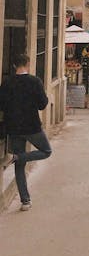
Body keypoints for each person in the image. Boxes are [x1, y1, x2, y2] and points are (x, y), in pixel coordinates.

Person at [0, 53, 52, 211]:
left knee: (19, 166)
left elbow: (1, 105)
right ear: (28, 64)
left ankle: (25, 201)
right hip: (32, 127)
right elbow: (43, 104)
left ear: (14, 65)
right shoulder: (35, 81)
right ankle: (18, 157)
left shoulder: (6, 83)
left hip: (14, 128)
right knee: (46, 151)